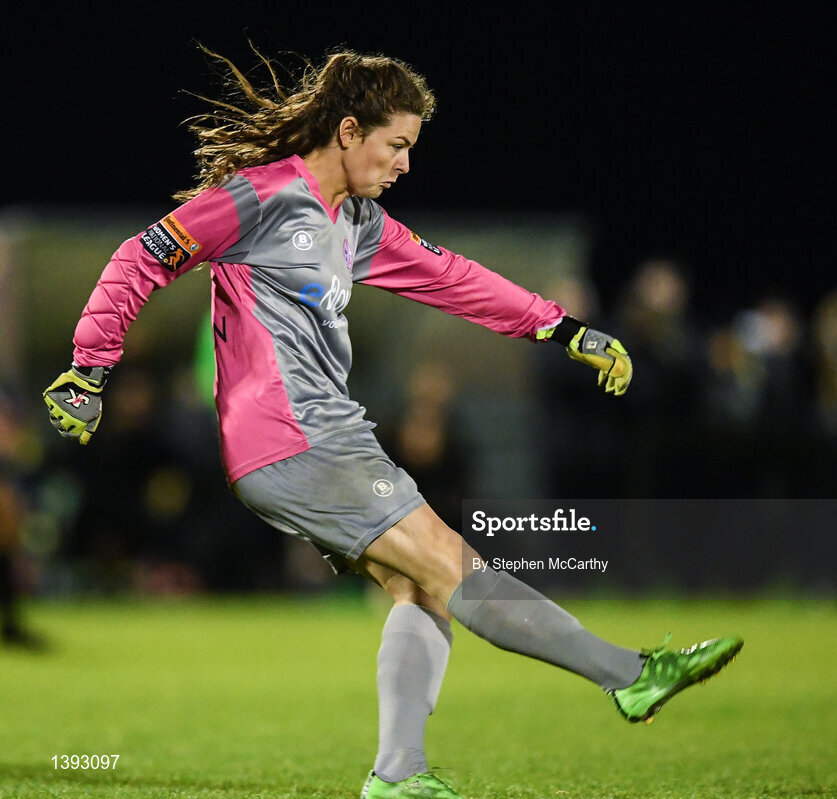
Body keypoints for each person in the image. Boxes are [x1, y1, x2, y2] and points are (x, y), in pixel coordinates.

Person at [42, 45, 742, 799]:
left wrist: (561, 328)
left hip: (321, 437)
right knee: (457, 566)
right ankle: (630, 674)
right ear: (348, 130)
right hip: (294, 438)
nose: (406, 163)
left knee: (420, 589)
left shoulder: (356, 223)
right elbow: (143, 254)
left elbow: (451, 277)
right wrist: (90, 365)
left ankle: (398, 773)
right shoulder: (260, 198)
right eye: (397, 144)